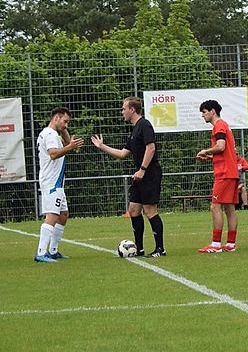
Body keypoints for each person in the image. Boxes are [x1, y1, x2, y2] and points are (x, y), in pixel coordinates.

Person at [92, 96, 166, 256]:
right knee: (133, 210)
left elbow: (151, 148)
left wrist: (142, 169)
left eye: (124, 108)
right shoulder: (135, 129)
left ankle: (160, 248)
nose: (122, 112)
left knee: (150, 210)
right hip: (140, 174)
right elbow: (123, 153)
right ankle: (138, 248)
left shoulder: (144, 125)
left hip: (150, 172)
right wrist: (102, 146)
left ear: (132, 109)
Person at [34, 107, 83, 263]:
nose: (66, 125)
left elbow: (68, 144)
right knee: (53, 215)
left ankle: (53, 251)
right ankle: (41, 252)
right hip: (51, 181)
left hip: (57, 182)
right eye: (65, 121)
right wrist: (70, 146)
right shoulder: (49, 134)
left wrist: (66, 137)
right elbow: (54, 154)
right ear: (56, 118)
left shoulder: (54, 133)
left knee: (63, 215)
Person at [195, 100, 240, 253]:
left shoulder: (219, 126)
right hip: (231, 171)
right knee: (230, 208)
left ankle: (215, 244)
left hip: (224, 173)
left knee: (215, 206)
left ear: (213, 111)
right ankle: (231, 243)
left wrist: (205, 151)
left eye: (204, 112)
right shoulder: (223, 125)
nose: (202, 115)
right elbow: (223, 151)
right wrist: (210, 157)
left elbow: (220, 146)